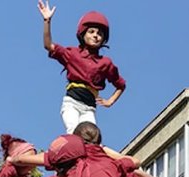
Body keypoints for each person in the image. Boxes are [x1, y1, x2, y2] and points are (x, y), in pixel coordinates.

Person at [38, 1, 126, 133]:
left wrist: (110, 101)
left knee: (90, 138)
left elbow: (121, 85)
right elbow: (48, 45)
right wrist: (47, 21)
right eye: (91, 32)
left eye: (99, 33)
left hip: (89, 107)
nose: (96, 35)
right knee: (73, 131)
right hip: (72, 102)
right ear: (83, 34)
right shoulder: (72, 54)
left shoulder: (105, 63)